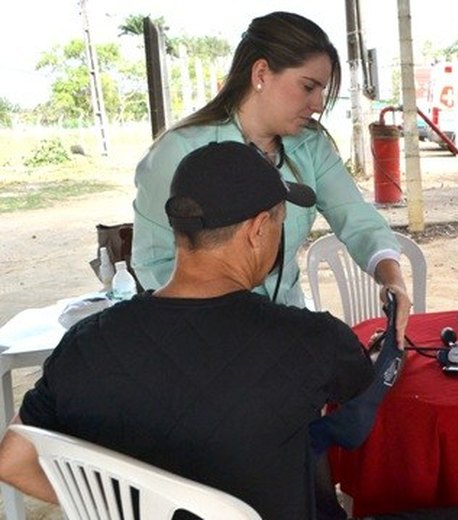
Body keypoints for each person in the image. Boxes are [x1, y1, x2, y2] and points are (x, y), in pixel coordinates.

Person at [0, 141, 373, 518]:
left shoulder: (86, 343)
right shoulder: (311, 339)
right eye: (279, 221)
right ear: (258, 229)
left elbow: (12, 461)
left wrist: (124, 505)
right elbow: (366, 389)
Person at [132, 11, 412, 340]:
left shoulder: (310, 146)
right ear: (261, 73)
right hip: (203, 338)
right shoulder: (178, 152)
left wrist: (391, 278)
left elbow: (358, 219)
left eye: (322, 90)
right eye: (308, 86)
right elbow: (153, 262)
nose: (318, 104)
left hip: (285, 328)